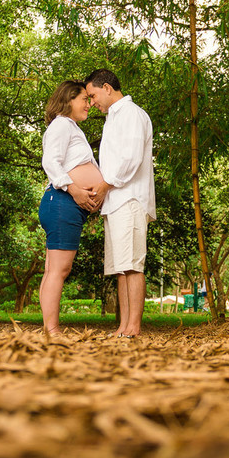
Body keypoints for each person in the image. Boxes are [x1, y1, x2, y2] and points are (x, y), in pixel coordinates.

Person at [84, 69, 155, 337]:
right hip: (115, 201)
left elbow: (131, 158)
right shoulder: (113, 118)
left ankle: (134, 327)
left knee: (132, 265)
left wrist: (105, 184)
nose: (92, 103)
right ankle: (124, 326)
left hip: (130, 197)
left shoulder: (131, 114)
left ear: (107, 88)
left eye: (92, 95)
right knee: (121, 268)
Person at [38, 80, 104, 335]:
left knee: (52, 270)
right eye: (83, 99)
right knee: (59, 270)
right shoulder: (62, 124)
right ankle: (52, 331)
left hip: (64, 205)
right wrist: (75, 189)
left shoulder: (69, 127)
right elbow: (50, 162)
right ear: (68, 100)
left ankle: (48, 329)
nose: (88, 104)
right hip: (63, 201)